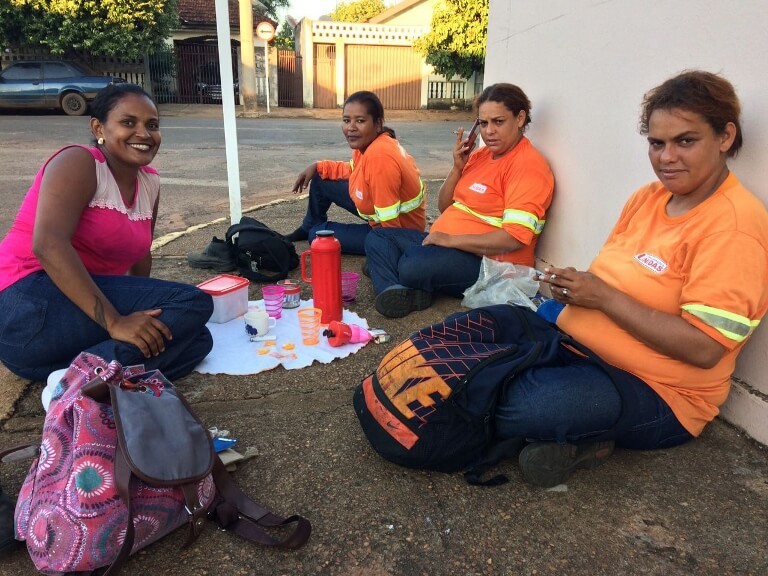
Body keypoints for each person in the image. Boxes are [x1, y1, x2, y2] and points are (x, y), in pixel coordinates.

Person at [495, 70, 768, 488]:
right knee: (479, 333)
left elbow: (704, 348)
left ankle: (585, 433)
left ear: (725, 137)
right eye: (657, 143)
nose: (667, 157)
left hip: (660, 393)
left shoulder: (735, 228)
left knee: (521, 401)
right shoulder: (648, 198)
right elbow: (615, 279)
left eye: (685, 141)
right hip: (582, 346)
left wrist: (603, 298)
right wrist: (575, 288)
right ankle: (577, 436)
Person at [0, 83, 213, 386]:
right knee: (193, 303)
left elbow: (140, 254)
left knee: (196, 340)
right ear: (98, 126)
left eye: (152, 125)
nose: (144, 133)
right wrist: (115, 322)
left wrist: (142, 317)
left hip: (60, 336)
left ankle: (78, 380)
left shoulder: (149, 182)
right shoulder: (80, 162)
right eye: (129, 122)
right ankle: (77, 383)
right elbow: (48, 245)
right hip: (27, 307)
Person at [365, 83, 555, 318]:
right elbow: (445, 206)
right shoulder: (481, 155)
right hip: (447, 246)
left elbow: (514, 238)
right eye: (483, 123)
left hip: (490, 265)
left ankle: (392, 271)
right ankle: (393, 289)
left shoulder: (527, 166)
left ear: (520, 118)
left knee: (410, 265)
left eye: (498, 121)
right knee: (378, 236)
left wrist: (450, 240)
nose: (489, 132)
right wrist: (457, 168)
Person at [285, 90, 425, 254]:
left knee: (317, 237)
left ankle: (313, 229)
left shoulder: (379, 158)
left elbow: (390, 224)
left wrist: (387, 254)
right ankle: (309, 225)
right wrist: (317, 166)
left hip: (400, 231)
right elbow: (353, 169)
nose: (351, 128)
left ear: (377, 124)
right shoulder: (370, 144)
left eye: (360, 121)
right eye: (346, 120)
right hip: (375, 207)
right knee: (320, 177)